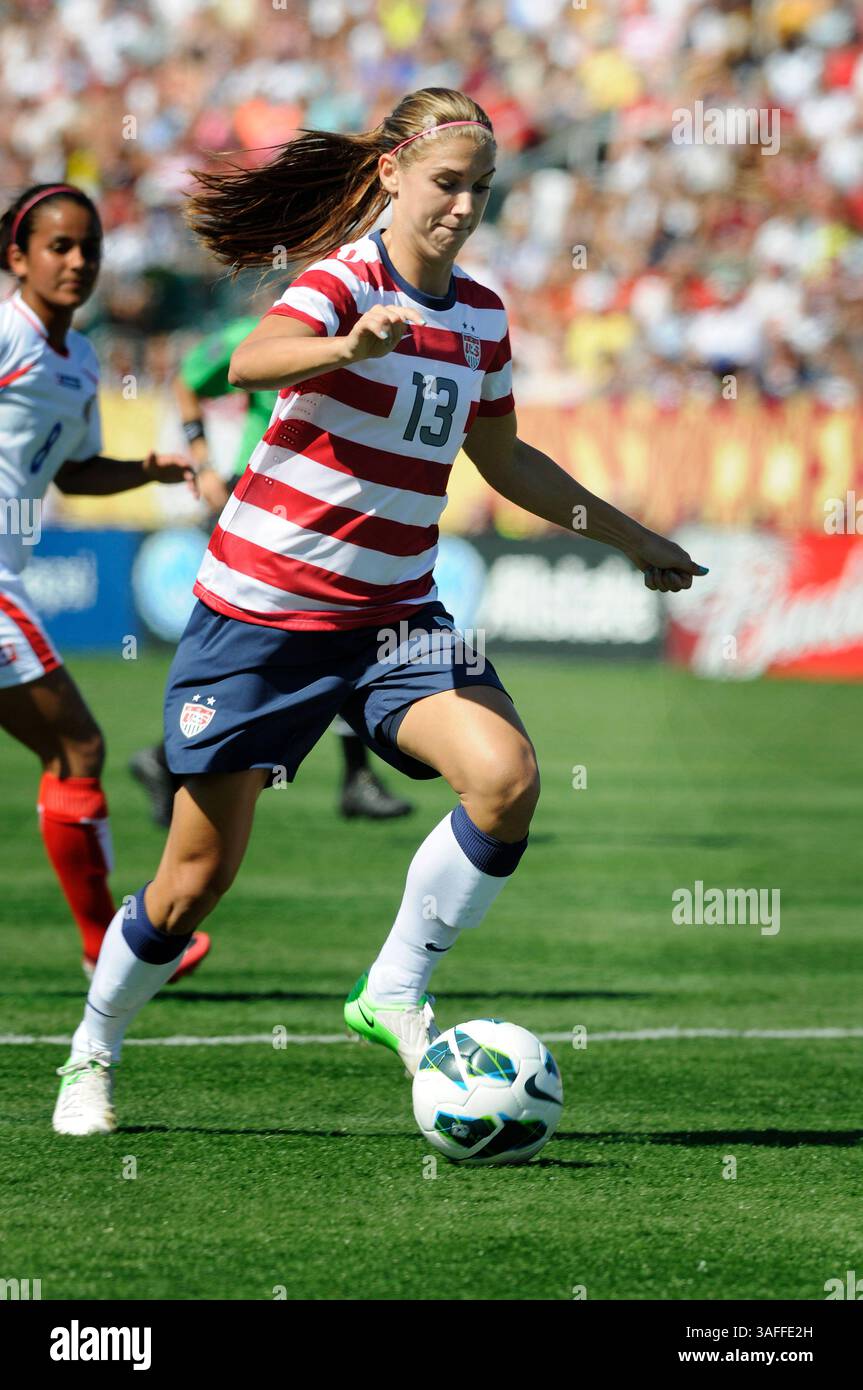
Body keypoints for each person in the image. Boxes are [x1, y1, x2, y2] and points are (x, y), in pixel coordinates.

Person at [51, 90, 707, 1137]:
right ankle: (92, 1050)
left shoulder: (481, 316)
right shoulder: (340, 281)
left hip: (395, 615)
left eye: (479, 189)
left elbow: (501, 459)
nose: (463, 206)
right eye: (447, 182)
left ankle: (390, 990)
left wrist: (627, 536)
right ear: (393, 175)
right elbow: (256, 358)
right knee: (189, 884)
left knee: (505, 779)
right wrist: (347, 347)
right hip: (260, 617)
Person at [0, 183, 211, 984]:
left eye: (88, 247)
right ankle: (108, 947)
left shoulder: (78, 359)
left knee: (73, 751)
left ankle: (105, 945)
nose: (78, 261)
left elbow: (74, 471)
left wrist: (144, 469)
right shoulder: (6, 333)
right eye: (58, 246)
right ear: (17, 257)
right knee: (78, 746)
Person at [129, 314, 414, 826]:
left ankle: (169, 761)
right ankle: (351, 779)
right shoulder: (258, 331)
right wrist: (202, 461)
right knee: (311, 644)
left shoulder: (376, 329)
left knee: (324, 643)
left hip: (329, 503)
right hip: (270, 498)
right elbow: (188, 380)